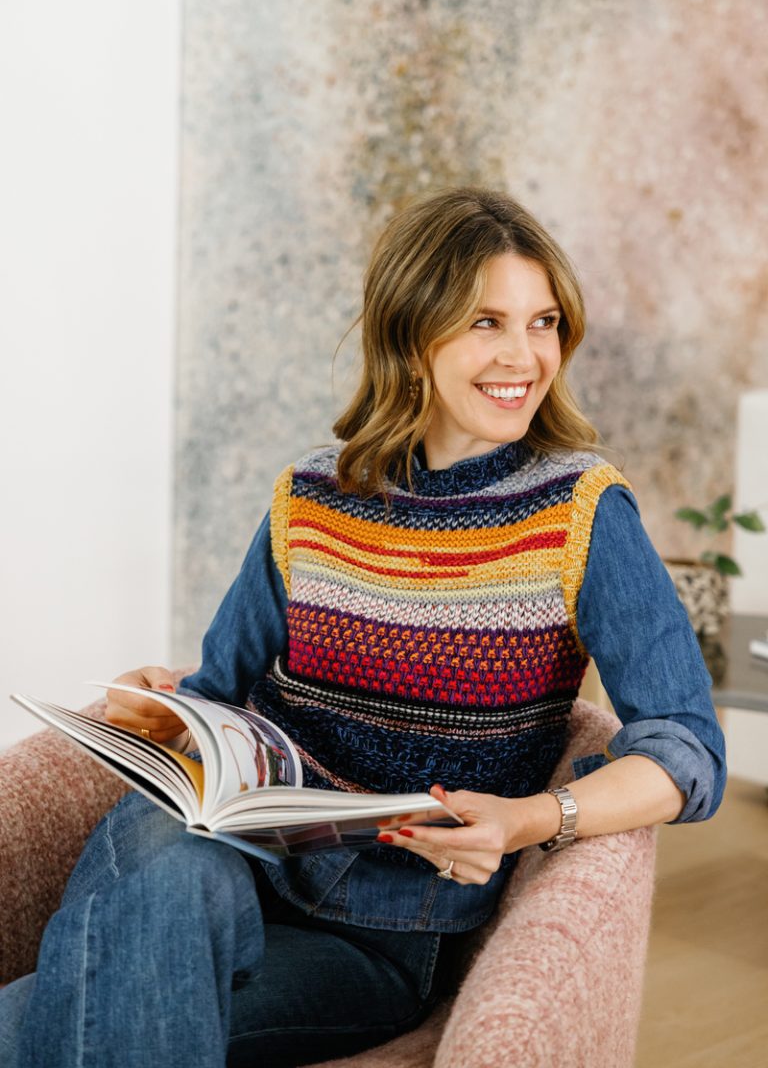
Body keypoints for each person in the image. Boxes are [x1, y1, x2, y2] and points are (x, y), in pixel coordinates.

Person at [0, 187, 725, 1068]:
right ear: (413, 339)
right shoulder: (311, 496)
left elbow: (688, 750)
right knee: (169, 856)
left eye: (543, 322)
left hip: (373, 940)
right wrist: (167, 713)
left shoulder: (582, 513)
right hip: (221, 863)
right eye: (487, 322)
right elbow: (214, 693)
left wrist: (531, 818)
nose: (524, 355)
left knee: (44, 1023)